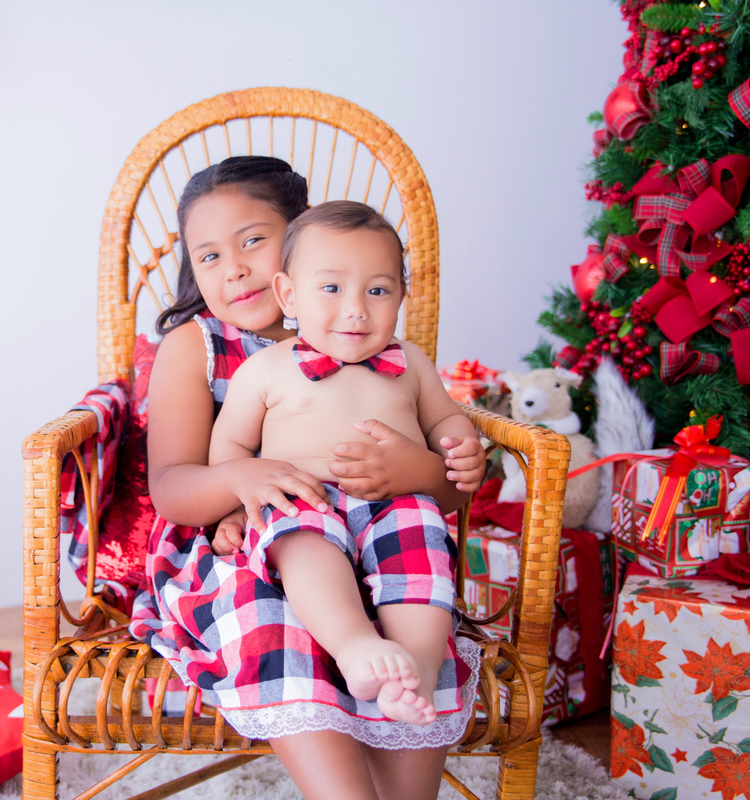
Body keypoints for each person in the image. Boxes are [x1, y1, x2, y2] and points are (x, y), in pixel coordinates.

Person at [127, 156, 485, 800]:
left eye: (252, 241)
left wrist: (424, 468)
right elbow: (174, 490)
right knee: (278, 614)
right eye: (207, 256)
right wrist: (245, 480)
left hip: (378, 532)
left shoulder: (382, 348)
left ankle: (409, 718)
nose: (232, 267)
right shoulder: (199, 345)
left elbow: (447, 495)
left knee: (415, 581)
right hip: (234, 547)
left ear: (302, 239)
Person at [208, 199, 478, 728]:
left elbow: (446, 418)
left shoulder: (412, 363)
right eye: (331, 288)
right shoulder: (265, 370)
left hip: (395, 500)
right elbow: (231, 451)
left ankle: (416, 670)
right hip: (303, 498)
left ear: (402, 294)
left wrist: (460, 444)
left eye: (377, 290)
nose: (356, 308)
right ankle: (355, 646)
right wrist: (237, 510)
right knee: (301, 540)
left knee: (421, 542)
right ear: (288, 294)